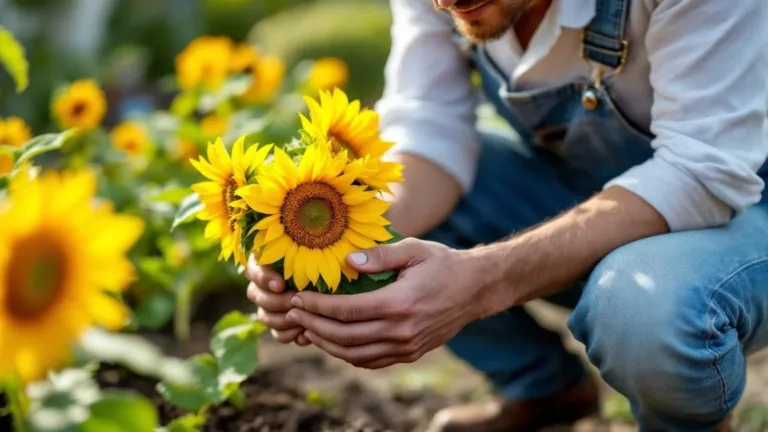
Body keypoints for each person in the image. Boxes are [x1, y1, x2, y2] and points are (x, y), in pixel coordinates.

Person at [246, 0, 768, 430]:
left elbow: (700, 172)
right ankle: (544, 390)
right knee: (383, 206)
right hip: (585, 188)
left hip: (742, 207)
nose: (445, 3)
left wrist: (482, 281)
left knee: (640, 306)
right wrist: (325, 245)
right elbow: (428, 131)